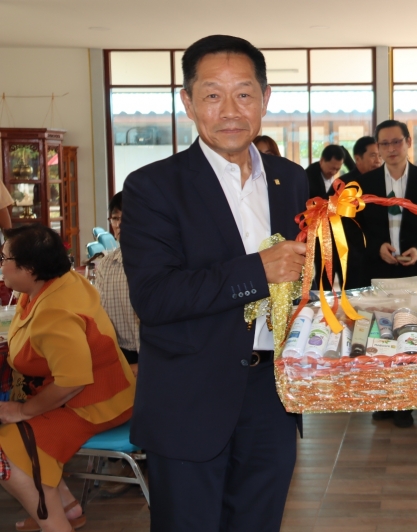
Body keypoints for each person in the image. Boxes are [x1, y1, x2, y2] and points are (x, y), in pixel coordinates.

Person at [122, 35, 308, 532]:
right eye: (212, 95)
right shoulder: (152, 187)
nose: (230, 110)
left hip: (272, 395)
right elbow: (155, 297)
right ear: (188, 102)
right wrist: (258, 271)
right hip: (190, 396)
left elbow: (301, 277)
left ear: (265, 99)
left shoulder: (291, 179)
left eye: (244, 93)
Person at [0, 224, 135, 532]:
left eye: (5, 258)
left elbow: (72, 381)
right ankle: (66, 507)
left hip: (95, 404)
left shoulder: (55, 313)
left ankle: (56, 524)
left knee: (8, 450)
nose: (1, 264)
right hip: (87, 394)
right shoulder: (56, 283)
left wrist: (23, 410)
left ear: (29, 269)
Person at [356, 120, 417, 429]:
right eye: (385, 144)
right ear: (378, 148)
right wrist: (376, 248)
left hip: (415, 272)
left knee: (410, 334)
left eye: (397, 142)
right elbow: (356, 231)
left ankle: (406, 403)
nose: (391, 149)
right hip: (378, 271)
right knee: (380, 336)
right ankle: (383, 399)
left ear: (408, 142)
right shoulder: (364, 184)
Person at [95, 192, 140, 379]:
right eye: (115, 218)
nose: (120, 224)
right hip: (119, 357)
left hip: (161, 356)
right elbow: (101, 320)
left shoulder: (163, 262)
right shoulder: (106, 265)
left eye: (126, 217)